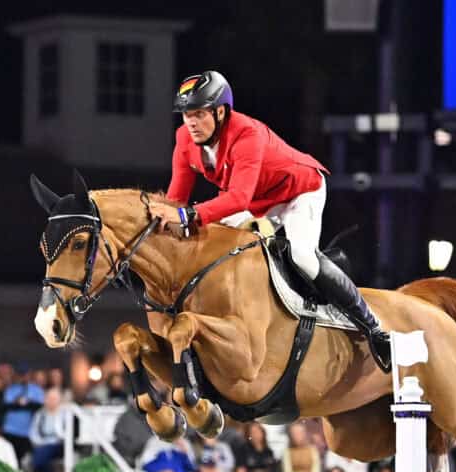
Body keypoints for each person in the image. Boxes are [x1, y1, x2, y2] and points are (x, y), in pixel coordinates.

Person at [150, 70, 391, 371]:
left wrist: (186, 216)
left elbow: (235, 199)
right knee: (213, 244)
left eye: (199, 114)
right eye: (187, 115)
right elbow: (177, 199)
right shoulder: (184, 139)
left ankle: (373, 327)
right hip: (258, 201)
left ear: (220, 111)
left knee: (302, 256)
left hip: (299, 192)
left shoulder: (246, 134)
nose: (192, 123)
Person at [2, 364, 44, 461]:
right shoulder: (11, 389)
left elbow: (39, 407)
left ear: (29, 375)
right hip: (10, 430)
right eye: (21, 375)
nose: (23, 377)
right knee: (11, 460)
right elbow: (8, 406)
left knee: (26, 461)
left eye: (25, 374)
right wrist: (20, 403)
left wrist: (26, 403)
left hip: (28, 431)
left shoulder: (36, 390)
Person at [28, 387, 69, 472]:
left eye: (54, 399)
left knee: (39, 457)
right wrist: (41, 444)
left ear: (59, 400)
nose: (51, 401)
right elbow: (33, 433)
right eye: (49, 398)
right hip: (42, 445)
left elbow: (68, 434)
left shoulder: (66, 414)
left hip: (60, 445)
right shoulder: (40, 414)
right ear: (45, 400)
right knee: (42, 455)